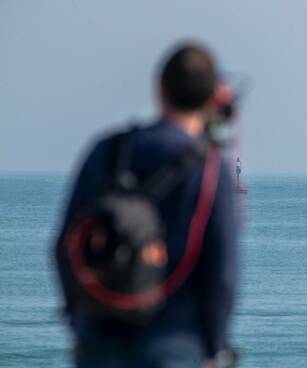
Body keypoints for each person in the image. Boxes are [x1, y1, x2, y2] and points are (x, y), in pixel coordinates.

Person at [54, 42, 238, 368]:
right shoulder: (210, 169)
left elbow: (63, 244)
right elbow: (221, 272)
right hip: (176, 341)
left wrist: (78, 321)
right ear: (213, 98)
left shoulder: (107, 150)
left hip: (99, 339)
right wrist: (214, 347)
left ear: (159, 87)